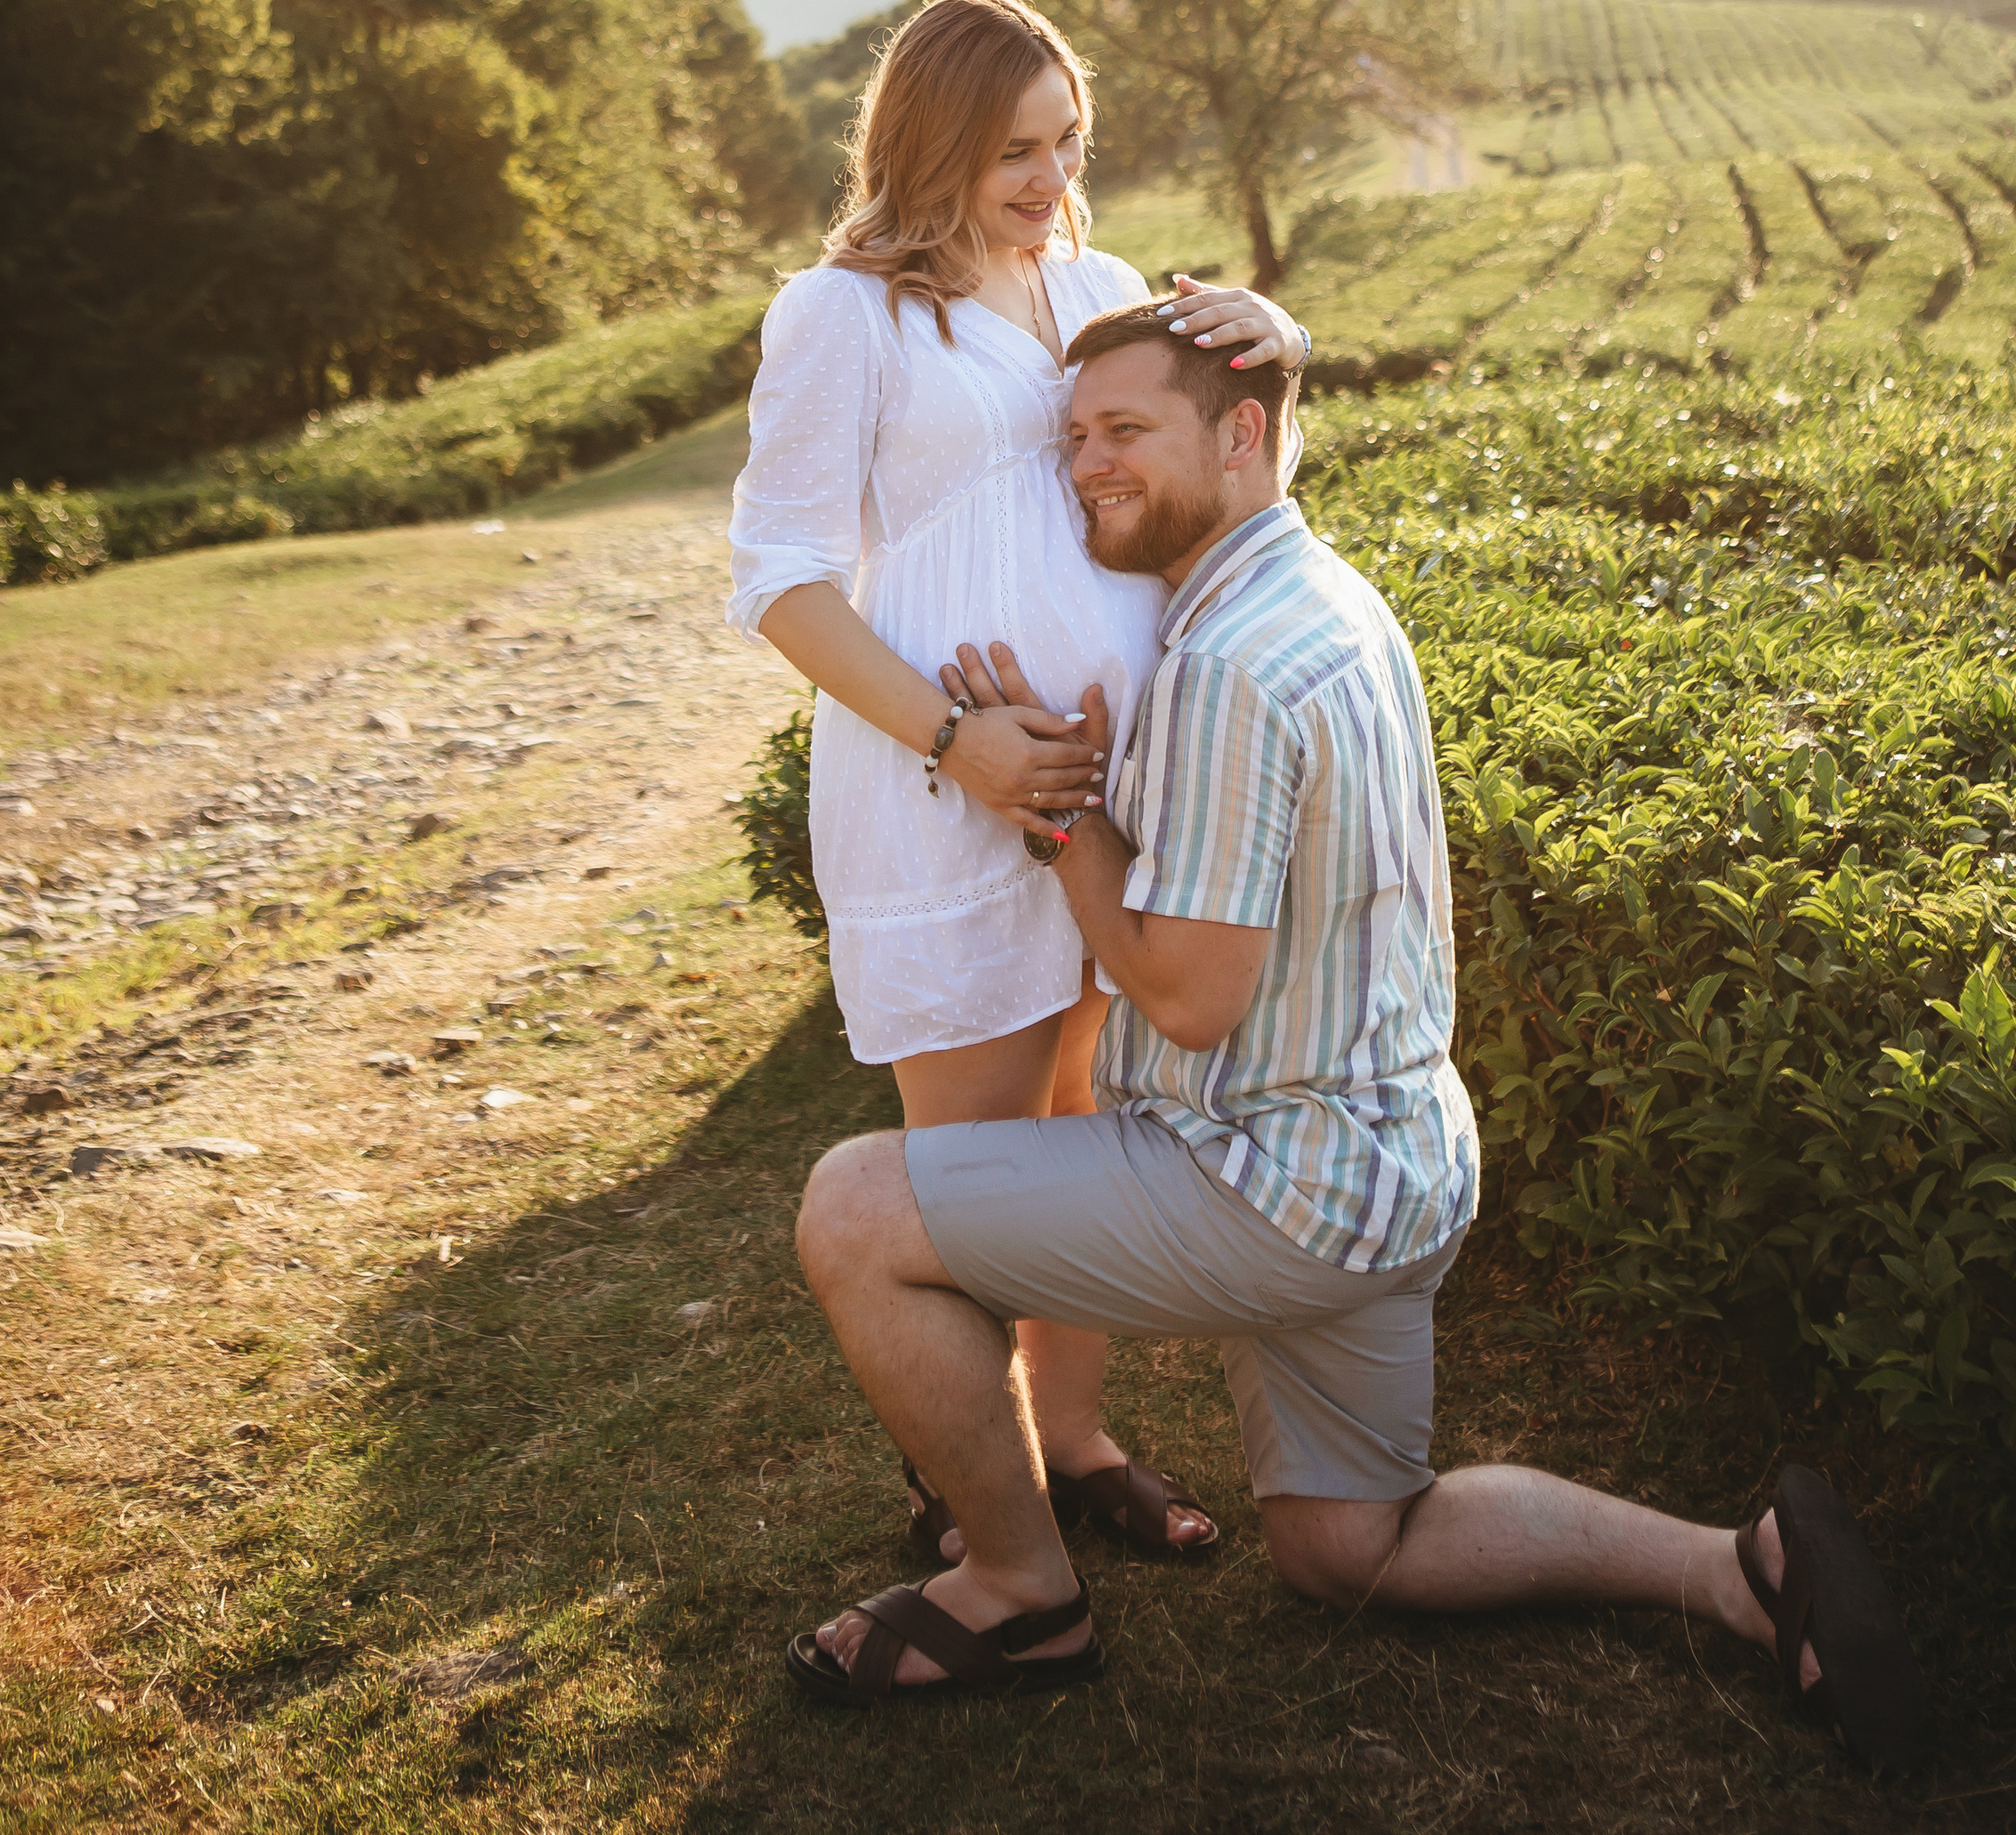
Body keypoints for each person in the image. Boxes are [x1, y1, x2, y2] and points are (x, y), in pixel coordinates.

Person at [784, 302, 1932, 1775]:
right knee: (1353, 1547)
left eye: (1126, 432)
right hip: (1397, 1163)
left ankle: (1015, 1593)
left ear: (1242, 435)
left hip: (1273, 1185)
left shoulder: (1225, 667)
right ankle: (1740, 1567)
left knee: (854, 1208)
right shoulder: (1327, 594)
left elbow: (1188, 1000)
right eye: (1073, 441)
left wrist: (1054, 813)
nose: (1086, 469)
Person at [727, 0, 1310, 1567]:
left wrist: (1285, 346)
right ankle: (976, 1492)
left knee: (1089, 1125)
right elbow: (779, 579)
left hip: (1116, 794)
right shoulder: (842, 315)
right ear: (928, 143)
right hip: (943, 794)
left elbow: (1234, 471)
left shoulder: (1106, 284)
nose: (1049, 183)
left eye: (1067, 144)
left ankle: (1080, 1440)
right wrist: (954, 739)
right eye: (1011, 153)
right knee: (973, 1169)